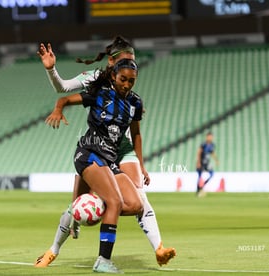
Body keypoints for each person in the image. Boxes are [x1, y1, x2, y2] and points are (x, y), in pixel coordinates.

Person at [35, 36, 176, 268]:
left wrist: (141, 164)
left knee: (138, 199)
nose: (131, 66)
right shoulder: (95, 81)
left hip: (122, 147)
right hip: (96, 146)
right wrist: (52, 70)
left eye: (133, 62)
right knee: (79, 204)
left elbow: (136, 131)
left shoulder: (132, 98)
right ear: (112, 63)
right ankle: (54, 249)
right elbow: (62, 90)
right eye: (126, 61)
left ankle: (158, 248)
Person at [45, 58, 146, 273]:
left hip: (109, 161)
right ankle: (102, 260)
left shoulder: (135, 103)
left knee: (136, 205)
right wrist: (57, 109)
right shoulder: (100, 95)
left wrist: (142, 165)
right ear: (113, 77)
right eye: (122, 79)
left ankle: (89, 208)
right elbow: (64, 99)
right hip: (89, 153)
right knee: (115, 202)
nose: (126, 84)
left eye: (131, 81)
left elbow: (136, 134)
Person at [196, 132, 219, 197]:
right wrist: (198, 162)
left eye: (211, 137)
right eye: (209, 136)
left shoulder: (212, 145)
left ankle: (202, 186)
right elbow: (199, 153)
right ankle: (198, 190)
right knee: (199, 177)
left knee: (212, 174)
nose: (210, 138)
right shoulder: (203, 144)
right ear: (207, 137)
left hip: (207, 163)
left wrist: (216, 160)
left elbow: (212, 153)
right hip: (201, 162)